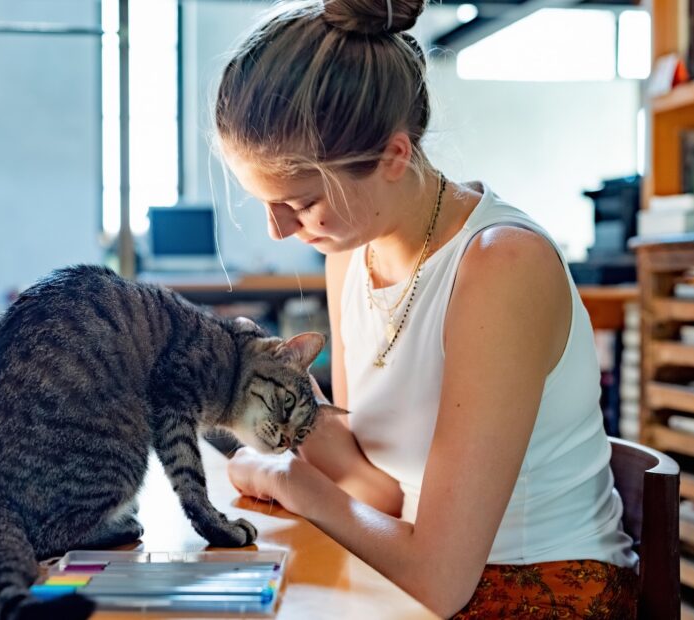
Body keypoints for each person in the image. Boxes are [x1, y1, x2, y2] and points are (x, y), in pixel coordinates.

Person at [215, 0, 639, 617]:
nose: (279, 231)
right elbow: (382, 494)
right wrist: (293, 414)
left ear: (393, 156)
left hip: (536, 590)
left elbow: (441, 581)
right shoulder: (349, 256)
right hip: (415, 572)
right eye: (265, 202)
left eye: (301, 203)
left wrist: (288, 480)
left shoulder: (500, 267)